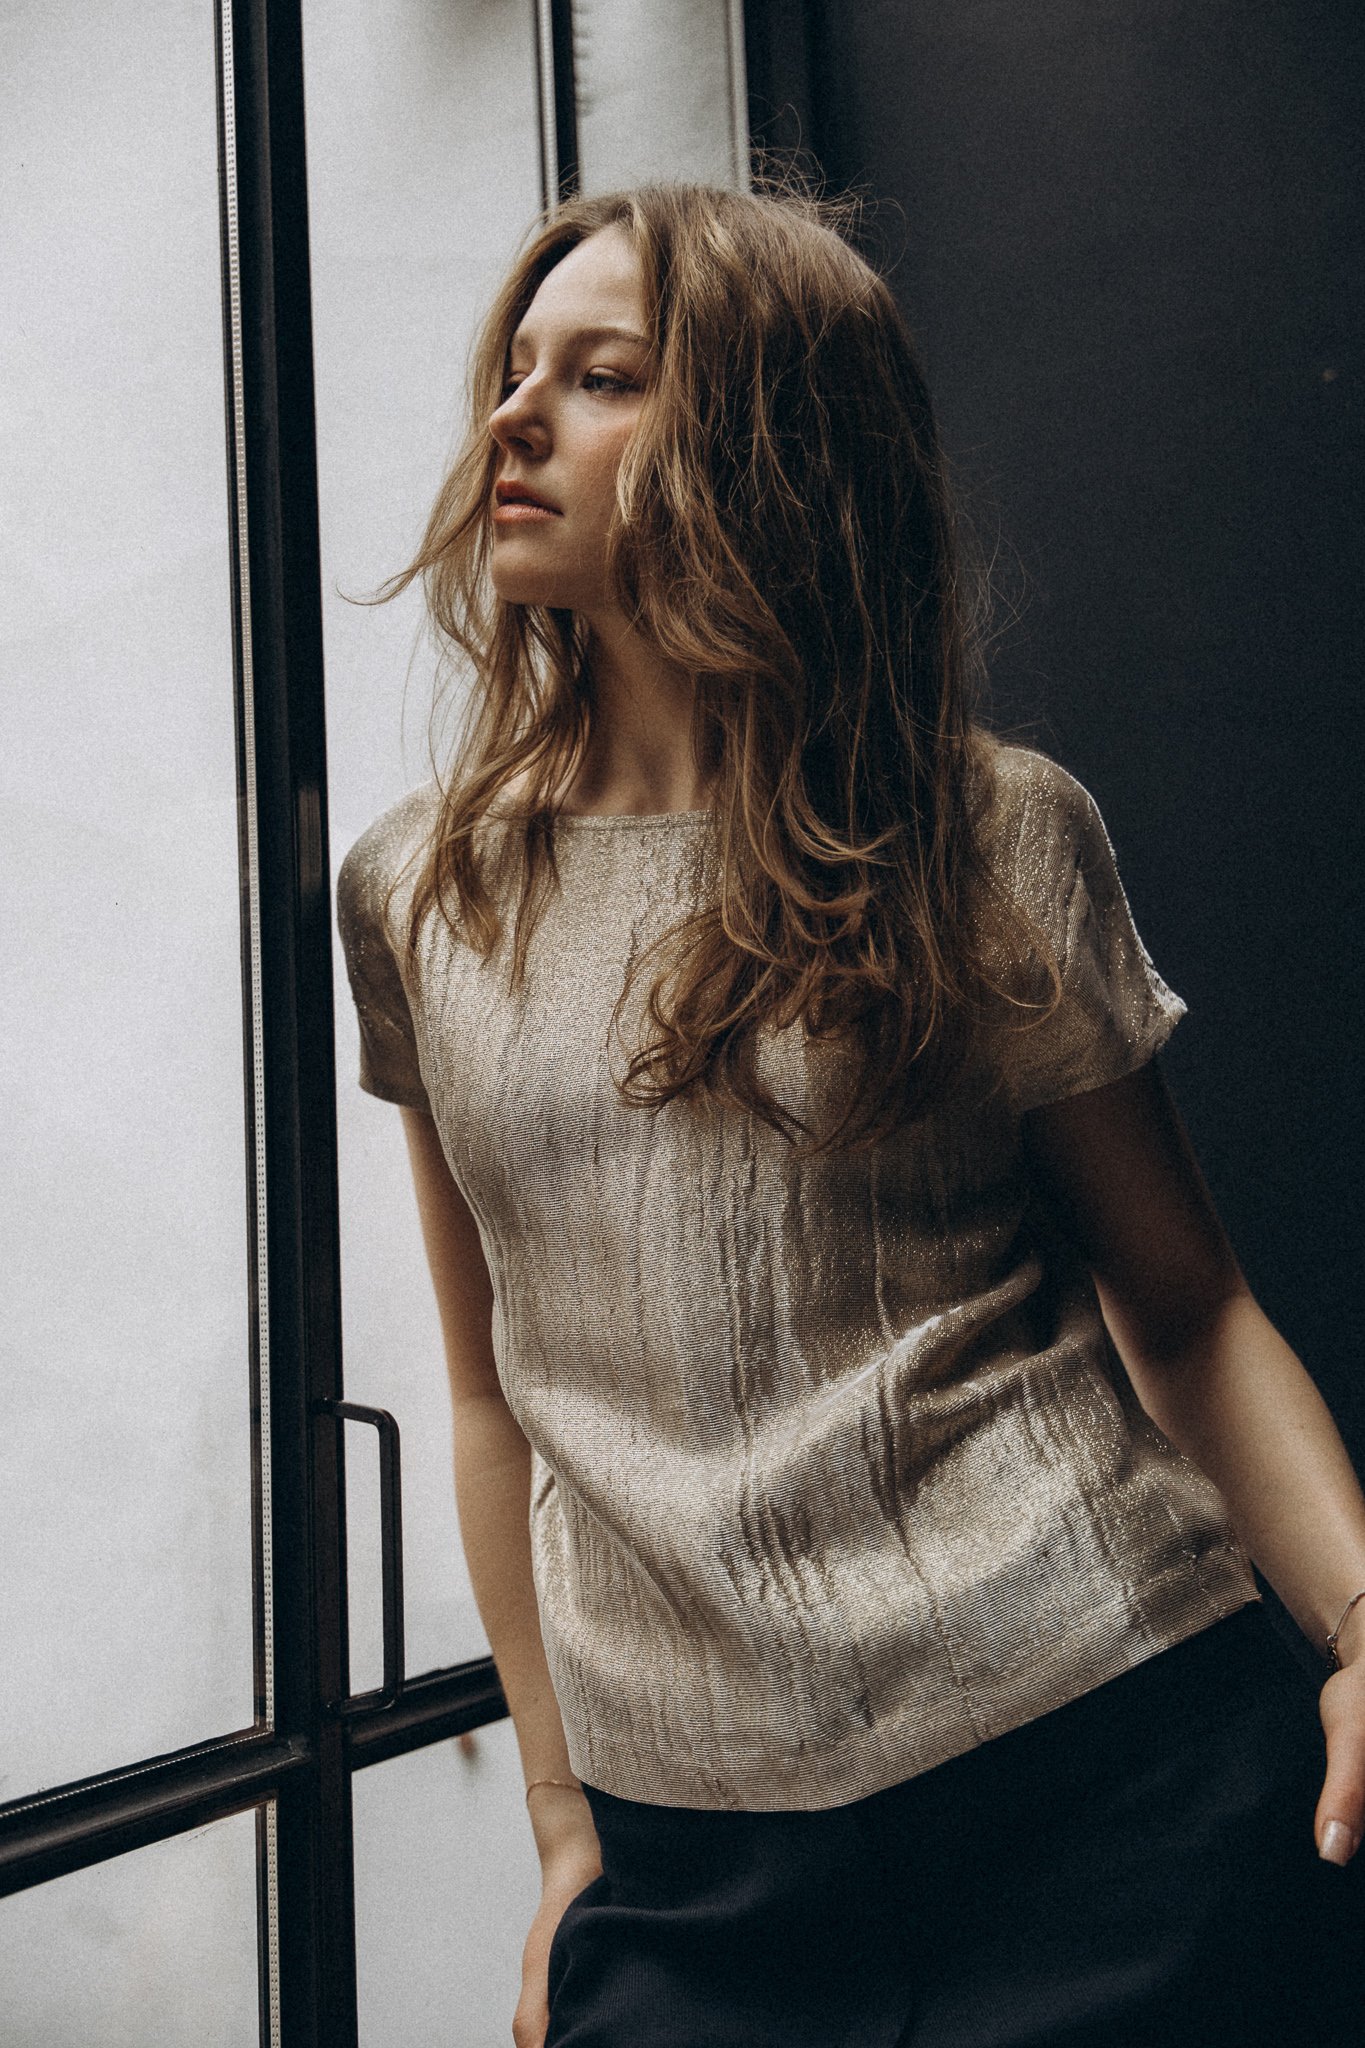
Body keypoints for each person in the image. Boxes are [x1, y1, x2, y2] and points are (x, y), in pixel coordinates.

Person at [337, 178, 1365, 2047]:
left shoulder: (989, 836)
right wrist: (565, 1833)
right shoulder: (420, 893)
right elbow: (493, 1385)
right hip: (691, 1874)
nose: (511, 415)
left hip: (1109, 1781)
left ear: (769, 448)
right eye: (513, 369)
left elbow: (1188, 1303)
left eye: (604, 375)